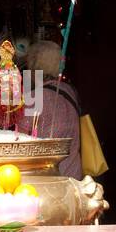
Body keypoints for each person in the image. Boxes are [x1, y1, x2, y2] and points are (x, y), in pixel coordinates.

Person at [25, 40, 83, 180]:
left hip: (48, 178)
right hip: (74, 174)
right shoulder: (70, 91)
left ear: (33, 65)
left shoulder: (33, 97)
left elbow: (20, 137)